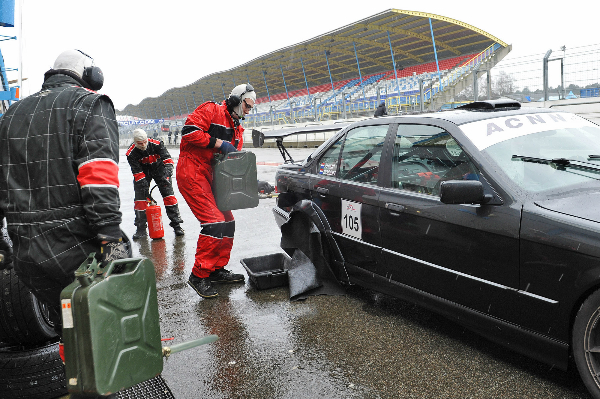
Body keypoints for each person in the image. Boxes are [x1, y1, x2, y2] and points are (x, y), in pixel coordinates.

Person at [0, 49, 129, 340]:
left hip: (26, 252)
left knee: (69, 320)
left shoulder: (11, 114)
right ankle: (107, 376)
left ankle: (76, 371)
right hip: (76, 245)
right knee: (112, 309)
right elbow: (99, 177)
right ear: (90, 76)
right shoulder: (91, 104)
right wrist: (111, 237)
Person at [177, 83, 256, 298]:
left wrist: (253, 183)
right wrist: (219, 143)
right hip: (192, 171)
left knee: (228, 221)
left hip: (212, 176)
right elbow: (188, 132)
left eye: (250, 107)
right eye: (247, 105)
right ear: (237, 100)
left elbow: (232, 162)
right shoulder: (211, 110)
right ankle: (199, 275)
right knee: (214, 222)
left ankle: (216, 269)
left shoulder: (238, 129)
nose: (248, 110)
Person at [126, 128, 185, 239]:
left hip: (160, 170)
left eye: (144, 142)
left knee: (169, 197)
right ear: (135, 142)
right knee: (140, 200)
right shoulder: (131, 153)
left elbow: (168, 160)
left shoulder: (157, 144)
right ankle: (141, 229)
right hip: (143, 173)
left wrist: (167, 174)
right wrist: (144, 188)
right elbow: (137, 172)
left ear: (146, 139)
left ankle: (177, 226)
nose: (143, 145)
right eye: (140, 143)